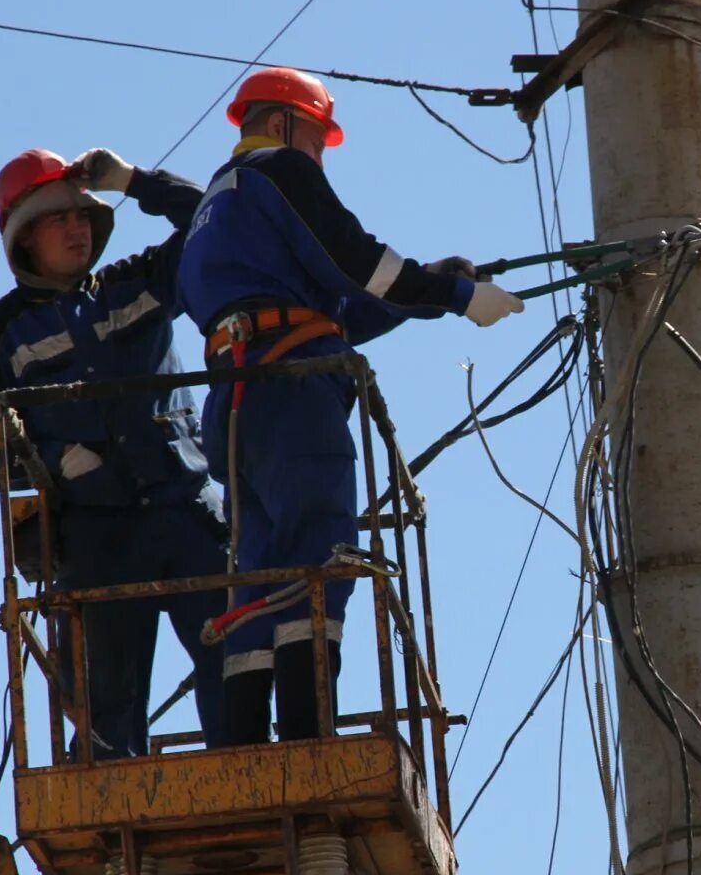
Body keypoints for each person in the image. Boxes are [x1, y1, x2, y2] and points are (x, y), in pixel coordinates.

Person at [176, 67, 524, 746]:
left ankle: (244, 742)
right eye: (317, 137)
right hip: (295, 395)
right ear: (280, 124)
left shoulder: (213, 210)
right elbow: (356, 258)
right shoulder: (280, 171)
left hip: (236, 400)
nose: (321, 154)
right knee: (320, 556)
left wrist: (432, 289)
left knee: (257, 571)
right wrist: (453, 296)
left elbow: (334, 309)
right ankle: (309, 739)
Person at [0, 146, 228, 759]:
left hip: (189, 514)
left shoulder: (138, 281)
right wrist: (48, 460)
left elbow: (220, 221)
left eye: (84, 216)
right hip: (99, 537)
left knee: (236, 663)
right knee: (105, 702)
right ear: (24, 238)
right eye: (59, 219)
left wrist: (135, 182)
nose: (78, 228)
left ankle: (258, 784)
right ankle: (122, 843)